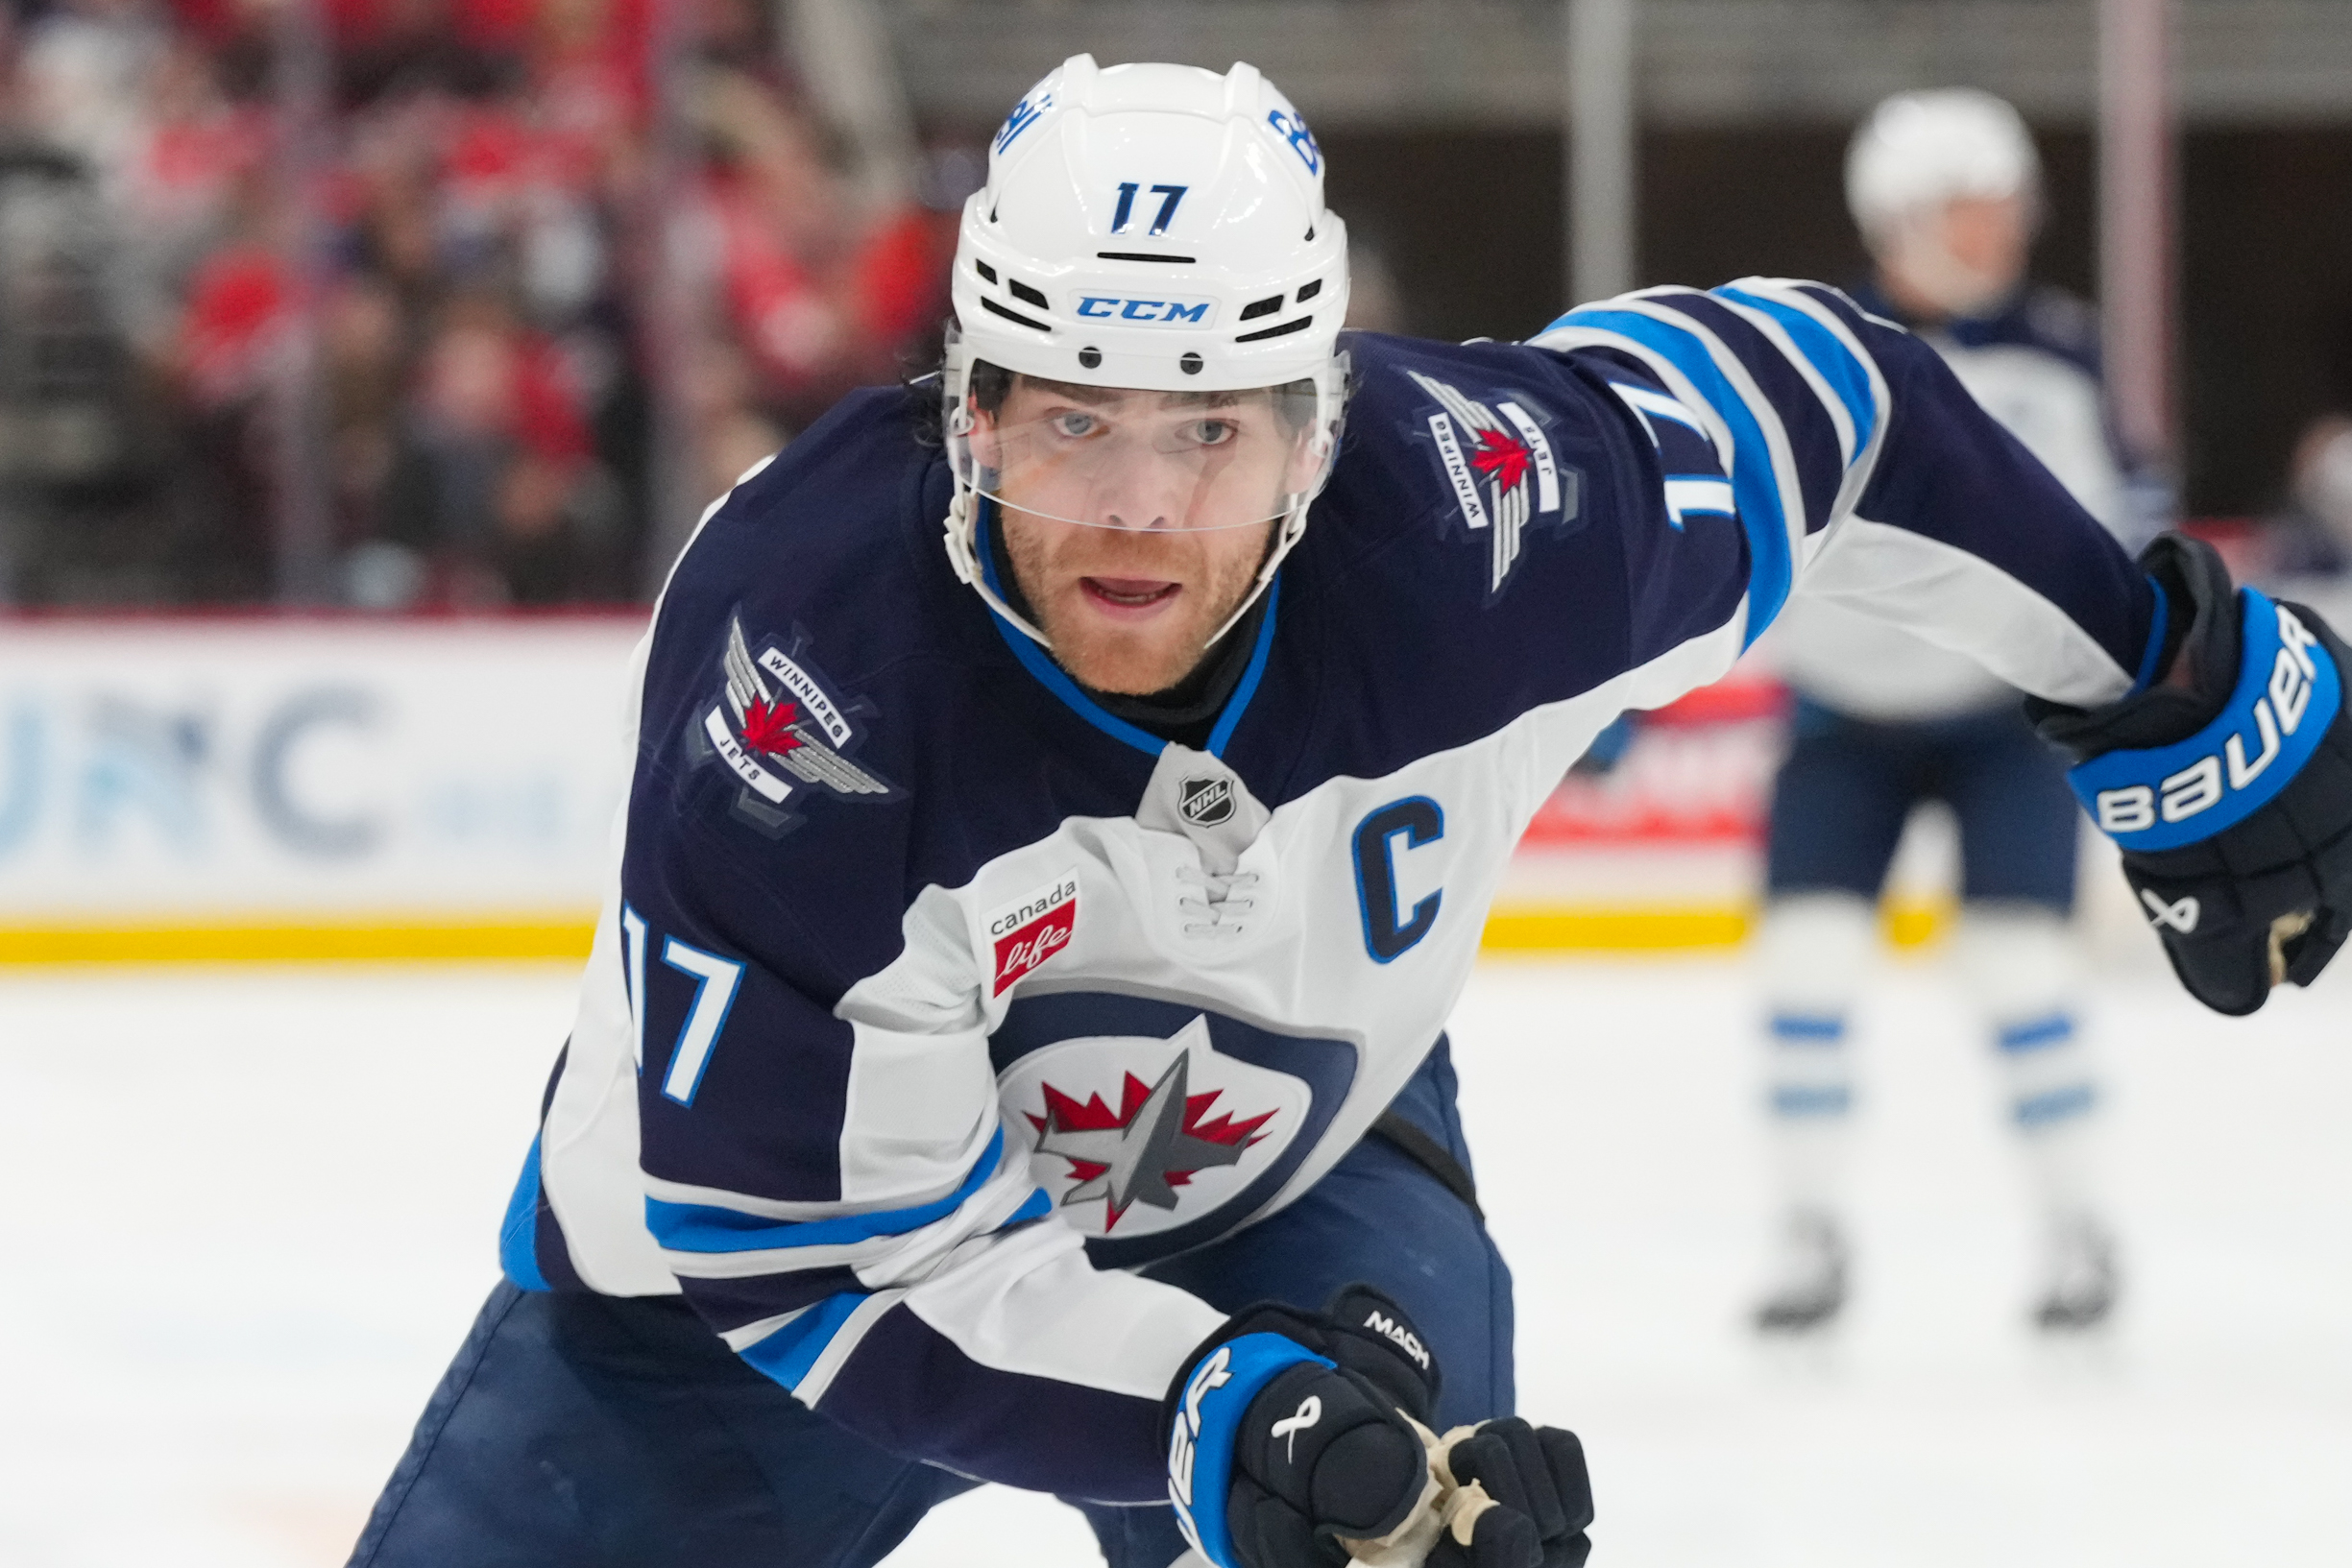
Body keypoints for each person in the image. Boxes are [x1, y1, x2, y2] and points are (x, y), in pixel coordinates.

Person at [348, 57, 2352, 1568]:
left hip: (1287, 1183)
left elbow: (1840, 411)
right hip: (763, 1294)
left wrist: (2151, 673)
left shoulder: (1489, 516)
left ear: (1320, 418)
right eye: (1066, 422)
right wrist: (1207, 1410)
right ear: (961, 402)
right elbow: (802, 1267)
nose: (1137, 512)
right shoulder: (805, 682)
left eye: (1211, 429)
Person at [1747, 88, 2151, 1336]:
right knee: (1801, 964)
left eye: (2002, 208)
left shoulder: (2059, 352)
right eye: (1969, 211)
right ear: (1895, 216)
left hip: (2000, 720)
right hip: (1839, 716)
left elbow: (2124, 519)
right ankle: (1806, 1236)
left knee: (2021, 970)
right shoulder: (1807, 340)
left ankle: (2076, 1228)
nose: (1999, 234)